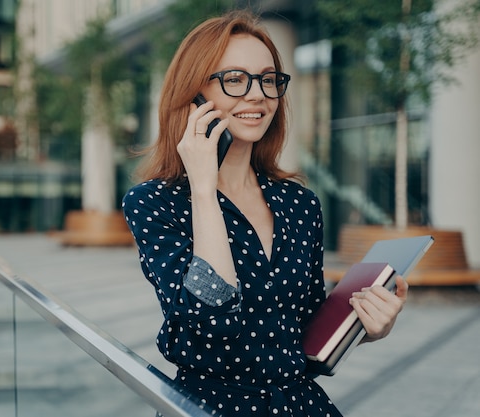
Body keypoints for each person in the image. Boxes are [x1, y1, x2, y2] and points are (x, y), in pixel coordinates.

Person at [122, 10, 407, 417]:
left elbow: (305, 332)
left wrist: (368, 327)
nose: (257, 94)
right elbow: (209, 316)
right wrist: (203, 188)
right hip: (210, 407)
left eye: (268, 79)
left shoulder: (299, 203)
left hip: (300, 405)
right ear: (193, 94)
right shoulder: (155, 202)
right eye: (234, 79)